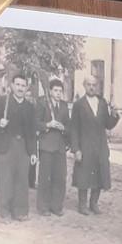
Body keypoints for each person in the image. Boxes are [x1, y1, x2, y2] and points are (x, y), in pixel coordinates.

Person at [0, 72, 37, 223]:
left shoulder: (30, 106)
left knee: (22, 180)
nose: (20, 88)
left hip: (23, 147)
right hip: (7, 145)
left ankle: (20, 211)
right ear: (12, 86)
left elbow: (32, 132)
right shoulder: (3, 101)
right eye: (17, 84)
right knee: (6, 179)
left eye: (23, 85)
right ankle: (5, 212)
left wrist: (33, 152)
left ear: (26, 88)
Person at [70, 75, 119, 216]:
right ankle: (82, 205)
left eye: (94, 85)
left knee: (99, 174)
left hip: (100, 146)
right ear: (84, 86)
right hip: (85, 145)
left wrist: (114, 114)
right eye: (89, 84)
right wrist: (76, 149)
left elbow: (108, 124)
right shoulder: (78, 104)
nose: (91, 87)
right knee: (83, 175)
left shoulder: (102, 103)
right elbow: (74, 128)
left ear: (97, 86)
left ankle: (94, 203)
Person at [36, 78, 71, 216]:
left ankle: (56, 206)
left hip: (60, 147)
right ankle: (43, 207)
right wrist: (47, 125)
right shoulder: (42, 103)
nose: (58, 93)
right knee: (45, 178)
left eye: (60, 91)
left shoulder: (64, 105)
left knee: (60, 178)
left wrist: (64, 128)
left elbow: (69, 125)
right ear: (50, 91)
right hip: (46, 146)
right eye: (55, 90)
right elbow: (35, 122)